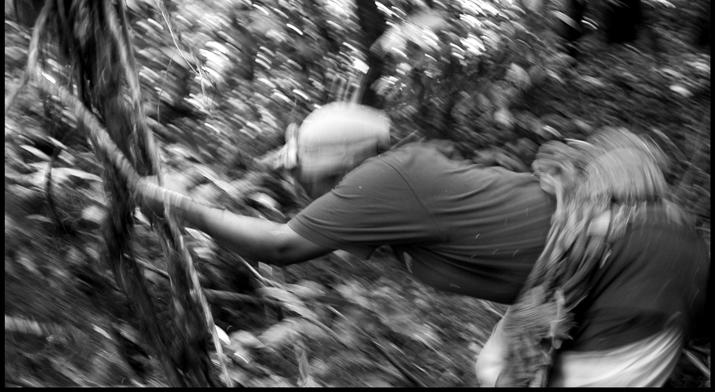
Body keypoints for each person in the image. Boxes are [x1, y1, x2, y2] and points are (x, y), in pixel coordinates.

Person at [144, 102, 708, 387]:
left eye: (298, 166)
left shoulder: (380, 180)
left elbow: (281, 247)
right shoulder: (396, 180)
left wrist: (179, 205)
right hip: (609, 261)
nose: (293, 179)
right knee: (498, 368)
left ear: (330, 163)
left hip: (633, 263)